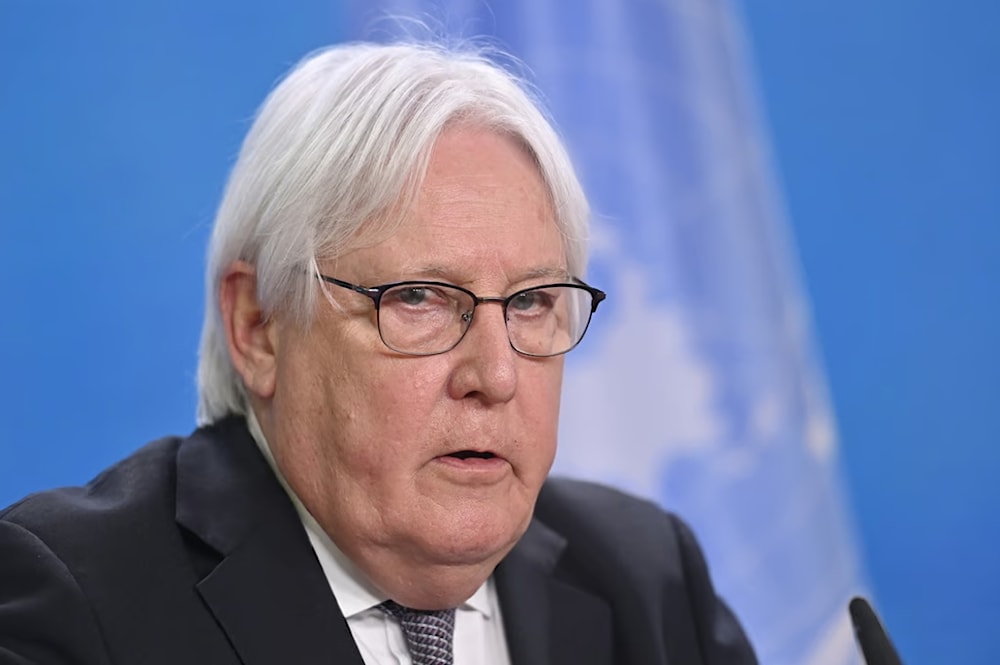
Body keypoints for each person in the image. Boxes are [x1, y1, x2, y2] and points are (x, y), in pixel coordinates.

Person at [0, 40, 757, 664]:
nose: (495, 375)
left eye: (531, 302)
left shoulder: (648, 580)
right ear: (259, 326)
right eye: (420, 297)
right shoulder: (77, 603)